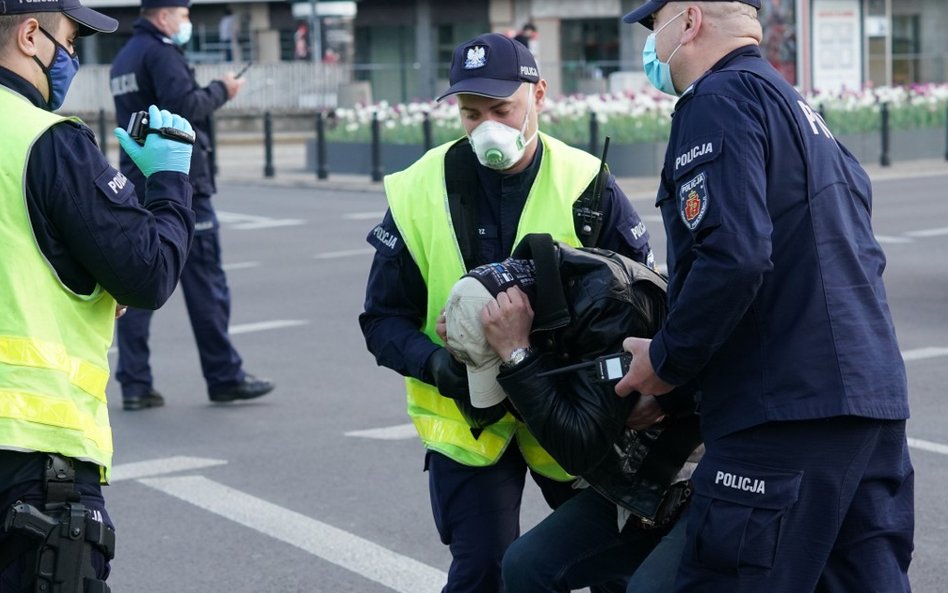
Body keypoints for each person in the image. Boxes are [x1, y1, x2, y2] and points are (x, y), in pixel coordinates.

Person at [616, 2, 914, 593]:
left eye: (655, 28)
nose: (651, 47)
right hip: (869, 408)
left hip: (781, 418)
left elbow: (735, 256)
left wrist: (667, 366)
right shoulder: (803, 111)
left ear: (690, 21)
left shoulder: (716, 99)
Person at [359, 32, 653, 593]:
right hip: (468, 425)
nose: (486, 126)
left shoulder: (587, 182)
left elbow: (646, 296)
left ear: (539, 95)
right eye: (471, 113)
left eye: (503, 109)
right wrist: (441, 367)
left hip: (570, 417)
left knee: (614, 569)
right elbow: (381, 321)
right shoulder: (419, 189)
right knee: (482, 574)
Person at [0, 0, 196, 587]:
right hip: (33, 456)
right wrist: (167, 179)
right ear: (31, 34)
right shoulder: (46, 140)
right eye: (67, 39)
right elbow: (148, 272)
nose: (70, 57)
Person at [440, 235, 703, 593]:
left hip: (695, 472)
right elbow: (485, 410)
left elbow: (580, 449)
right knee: (524, 565)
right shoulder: (536, 301)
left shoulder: (605, 301)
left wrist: (518, 356)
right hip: (643, 476)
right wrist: (463, 347)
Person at [110, 0, 275, 411]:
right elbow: (181, 110)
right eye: (184, 16)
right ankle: (224, 377)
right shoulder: (161, 53)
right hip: (178, 181)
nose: (186, 23)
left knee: (137, 283)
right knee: (206, 286)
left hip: (136, 179)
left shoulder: (125, 57)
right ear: (164, 16)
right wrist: (223, 90)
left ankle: (134, 383)